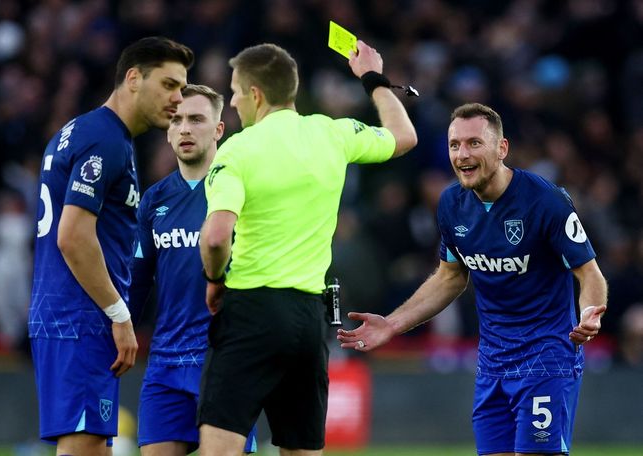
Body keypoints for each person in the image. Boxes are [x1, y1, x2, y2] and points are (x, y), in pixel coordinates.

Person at [337, 102, 608, 456]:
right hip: (492, 362)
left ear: (502, 148)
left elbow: (589, 273)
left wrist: (590, 312)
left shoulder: (546, 202)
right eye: (455, 145)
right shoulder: (451, 204)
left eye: (474, 143)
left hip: (546, 358)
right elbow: (450, 278)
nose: (462, 154)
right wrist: (392, 324)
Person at [198, 40, 417, 455]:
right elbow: (403, 135)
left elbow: (215, 236)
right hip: (308, 320)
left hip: (252, 309)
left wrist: (213, 278)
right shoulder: (331, 132)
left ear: (256, 95)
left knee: (218, 449)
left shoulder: (238, 149)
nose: (232, 100)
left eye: (235, 91)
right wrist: (374, 79)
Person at [28, 36, 194, 456]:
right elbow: (73, 235)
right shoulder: (104, 139)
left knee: (94, 445)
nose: (178, 99)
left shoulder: (82, 132)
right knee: (84, 446)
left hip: (67, 310)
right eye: (169, 85)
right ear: (134, 78)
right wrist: (119, 315)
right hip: (82, 313)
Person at [128, 85, 256, 455]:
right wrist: (120, 326)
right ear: (168, 132)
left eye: (197, 120)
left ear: (218, 129)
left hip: (222, 360)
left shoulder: (239, 190)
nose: (185, 129)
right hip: (165, 363)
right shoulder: (154, 199)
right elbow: (138, 279)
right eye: (177, 120)